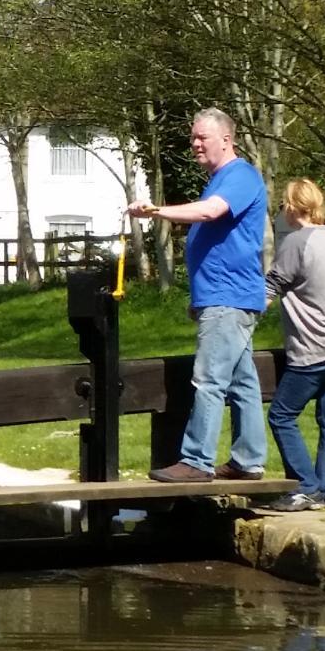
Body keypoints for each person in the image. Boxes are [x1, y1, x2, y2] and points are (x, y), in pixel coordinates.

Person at [126, 107, 269, 482]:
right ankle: (248, 460)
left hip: (229, 297)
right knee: (242, 383)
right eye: (192, 138)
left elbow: (209, 213)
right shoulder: (222, 178)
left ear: (226, 139)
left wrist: (156, 211)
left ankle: (196, 461)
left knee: (208, 380)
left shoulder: (239, 176)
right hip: (223, 297)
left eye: (201, 138)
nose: (194, 144)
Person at [262, 179, 325, 511]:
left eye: (283, 204)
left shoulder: (295, 243)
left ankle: (306, 487)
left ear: (292, 207)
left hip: (317, 344)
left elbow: (270, 286)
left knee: (281, 415)